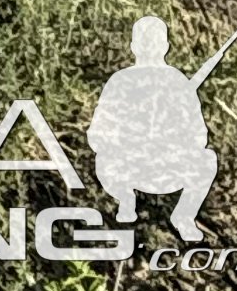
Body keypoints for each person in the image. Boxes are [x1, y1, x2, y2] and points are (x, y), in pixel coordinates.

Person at [91, 17, 218, 241]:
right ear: (166, 46)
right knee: (207, 159)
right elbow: (199, 138)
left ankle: (127, 198)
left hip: (134, 170)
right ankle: (180, 214)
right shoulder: (176, 81)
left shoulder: (121, 80)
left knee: (103, 158)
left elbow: (97, 135)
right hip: (161, 171)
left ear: (133, 47)